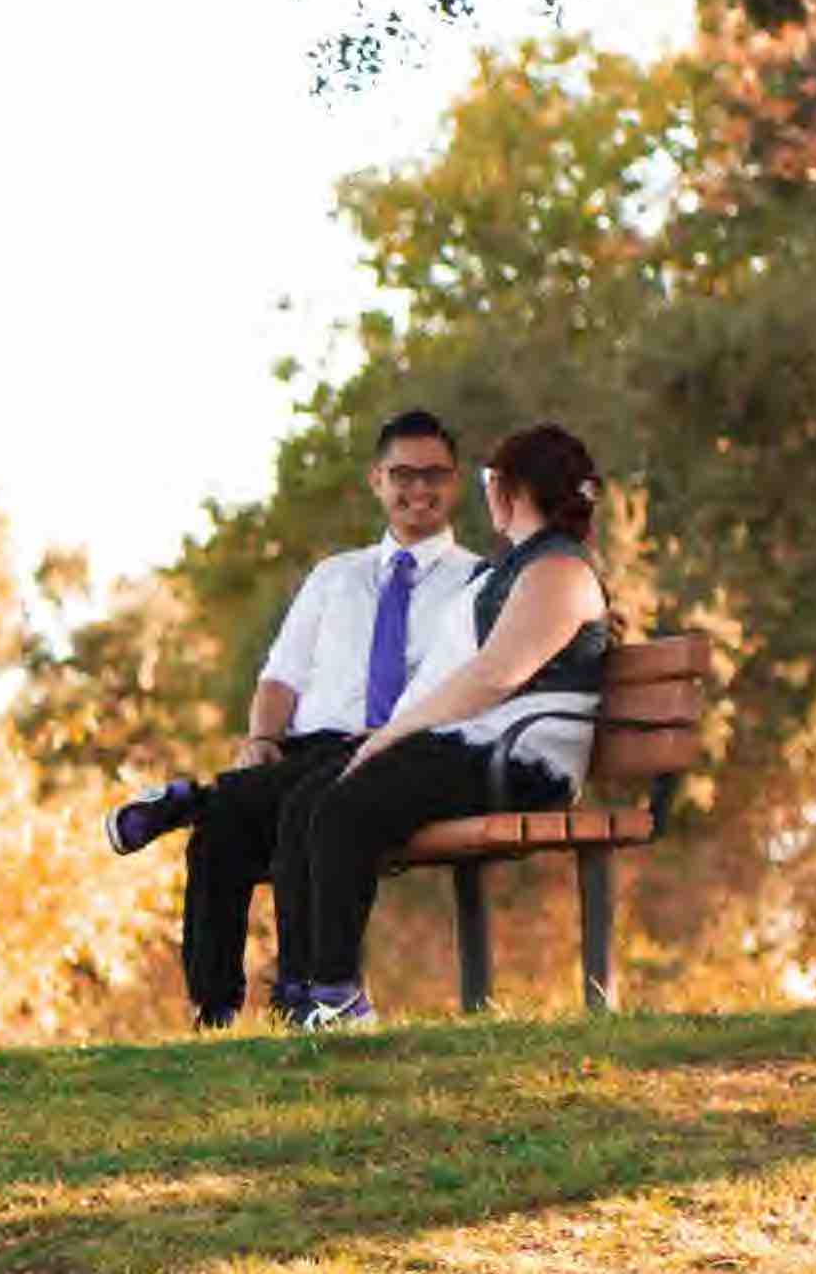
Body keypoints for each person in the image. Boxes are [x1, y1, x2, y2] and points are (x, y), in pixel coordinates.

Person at [104, 412, 492, 1027]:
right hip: (306, 750)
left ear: (457, 480)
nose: (419, 489)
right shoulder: (333, 577)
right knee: (227, 825)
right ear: (376, 480)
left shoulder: (478, 582)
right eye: (403, 474)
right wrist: (261, 737)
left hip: (398, 754)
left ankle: (297, 985)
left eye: (435, 474)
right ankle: (215, 1010)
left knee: (296, 806)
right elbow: (281, 676)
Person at [263, 422, 616, 1031]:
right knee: (308, 800)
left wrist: (390, 736)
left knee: (349, 807)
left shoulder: (559, 572)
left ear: (509, 489)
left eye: (488, 482)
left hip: (523, 761)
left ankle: (339, 1000)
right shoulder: (516, 568)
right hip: (477, 745)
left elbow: (492, 677)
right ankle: (304, 998)